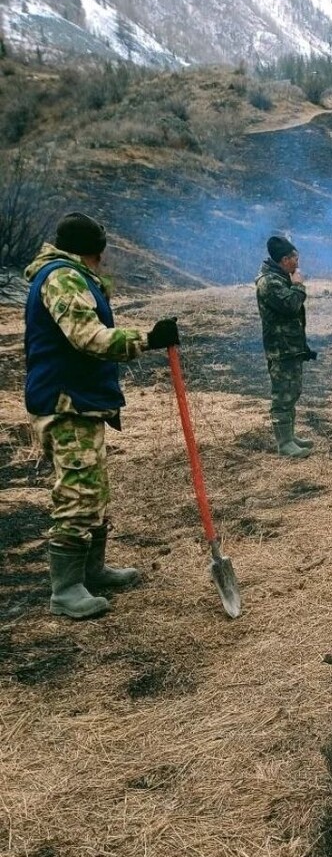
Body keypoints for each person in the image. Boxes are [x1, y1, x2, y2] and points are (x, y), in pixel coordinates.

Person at [24, 211, 179, 620]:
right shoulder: (62, 277)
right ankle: (66, 588)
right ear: (93, 251)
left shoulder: (70, 275)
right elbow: (87, 337)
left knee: (94, 489)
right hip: (65, 401)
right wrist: (146, 340)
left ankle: (90, 570)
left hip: (80, 399)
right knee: (77, 492)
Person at [255, 235, 317, 457]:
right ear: (284, 260)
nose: (297, 262)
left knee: (292, 392)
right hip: (280, 348)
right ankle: (284, 444)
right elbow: (290, 305)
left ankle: (289, 436)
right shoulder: (269, 282)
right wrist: (299, 286)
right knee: (282, 395)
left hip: (290, 346)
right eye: (294, 258)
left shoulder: (280, 277)